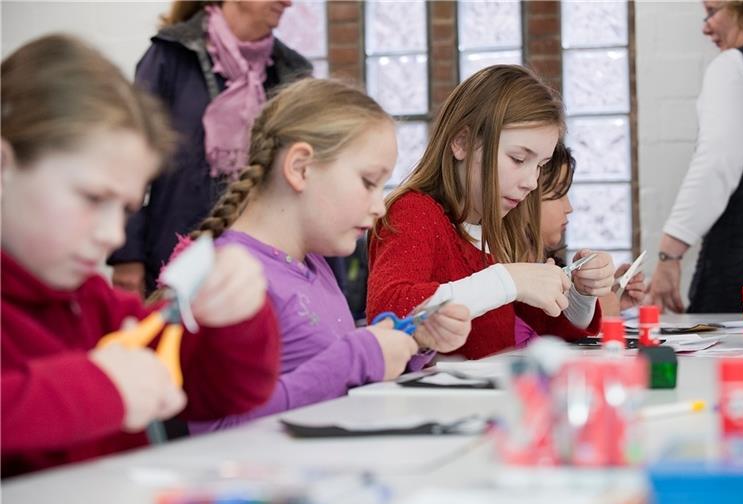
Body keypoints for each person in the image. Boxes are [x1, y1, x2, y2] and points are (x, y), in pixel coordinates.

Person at [1, 35, 281, 477]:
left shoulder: (97, 306)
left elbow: (228, 394)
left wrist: (240, 316)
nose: (114, 235)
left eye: (127, 209)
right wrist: (99, 389)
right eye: (93, 197)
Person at [183, 79, 471, 431]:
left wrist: (410, 344)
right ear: (301, 167)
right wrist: (359, 356)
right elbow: (219, 430)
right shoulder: (227, 275)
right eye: (369, 182)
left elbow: (335, 387)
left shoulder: (314, 265)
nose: (381, 206)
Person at [367, 65, 615, 361]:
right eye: (518, 158)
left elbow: (555, 329)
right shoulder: (413, 211)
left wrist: (581, 295)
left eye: (539, 166)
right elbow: (388, 312)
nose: (532, 182)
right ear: (461, 142)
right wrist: (507, 281)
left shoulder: (497, 226)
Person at [109, 0, 312, 297]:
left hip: (263, 269)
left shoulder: (292, 72)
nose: (289, 2)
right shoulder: (169, 56)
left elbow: (310, 180)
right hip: (171, 260)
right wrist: (127, 255)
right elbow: (127, 159)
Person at [649, 0, 743, 313]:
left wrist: (669, 255)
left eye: (711, 11)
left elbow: (717, 162)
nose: (705, 27)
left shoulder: (733, 65)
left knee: (737, 354)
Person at [539, 144, 646, 317]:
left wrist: (611, 294)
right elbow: (550, 326)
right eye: (558, 193)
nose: (569, 208)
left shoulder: (550, 267)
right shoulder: (516, 276)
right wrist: (602, 306)